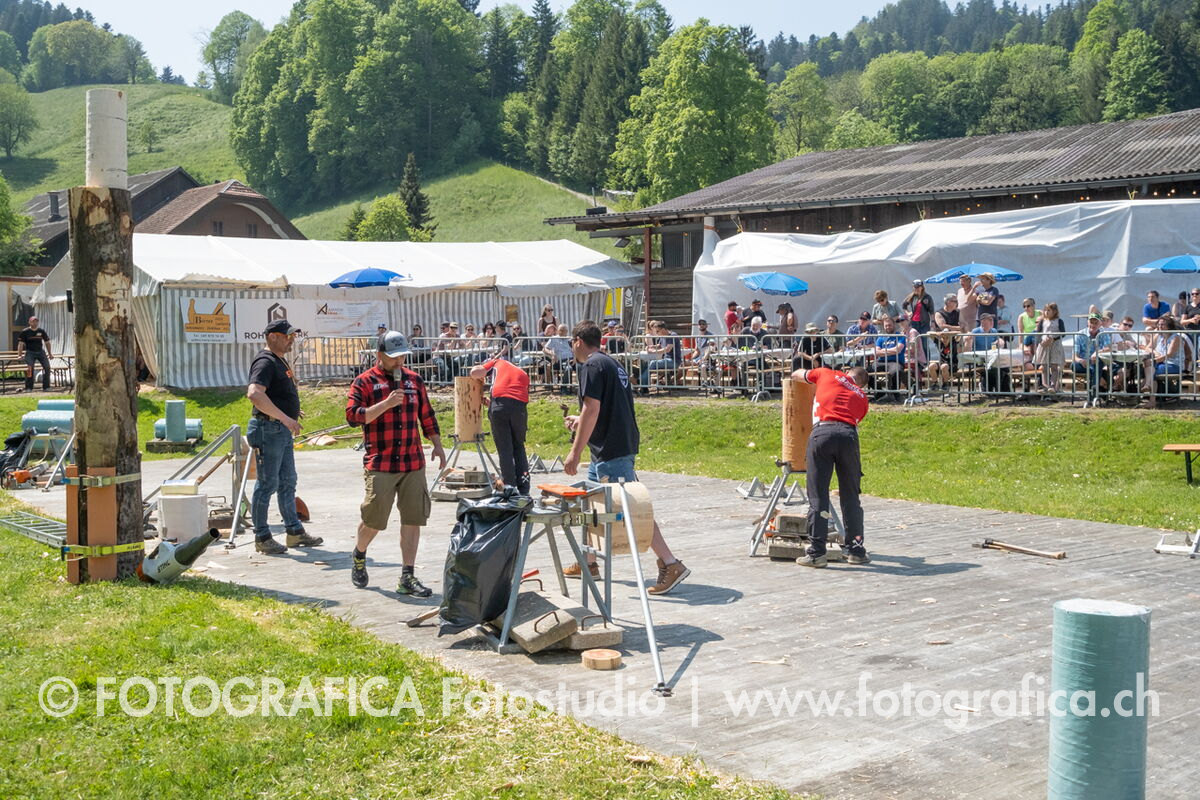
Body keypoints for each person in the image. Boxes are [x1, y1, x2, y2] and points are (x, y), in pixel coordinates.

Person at [562, 320, 689, 594]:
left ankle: (671, 563)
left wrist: (574, 452)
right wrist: (580, 421)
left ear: (578, 342)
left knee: (632, 508)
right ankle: (589, 562)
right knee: (592, 505)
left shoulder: (591, 365)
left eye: (572, 343)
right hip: (610, 447)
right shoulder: (610, 363)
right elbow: (601, 409)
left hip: (612, 449)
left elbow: (592, 409)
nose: (572, 347)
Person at [346, 331, 447, 596]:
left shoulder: (414, 380)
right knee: (374, 520)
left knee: (413, 518)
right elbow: (353, 417)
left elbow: (427, 415)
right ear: (379, 355)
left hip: (413, 461)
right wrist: (386, 404)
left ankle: (407, 575)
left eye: (402, 356)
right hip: (381, 462)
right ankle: (359, 553)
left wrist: (437, 444)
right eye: (393, 357)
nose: (399, 361)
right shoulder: (364, 382)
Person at [246, 319, 323, 555]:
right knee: (267, 484)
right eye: (287, 336)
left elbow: (274, 394)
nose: (292, 340)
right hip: (269, 429)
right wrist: (284, 417)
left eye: (293, 336)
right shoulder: (265, 361)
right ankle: (262, 537)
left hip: (279, 429)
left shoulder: (278, 360)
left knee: (288, 481)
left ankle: (294, 531)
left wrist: (291, 411)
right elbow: (255, 394)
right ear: (273, 336)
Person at [787, 364, 871, 568]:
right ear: (861, 384)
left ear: (848, 372)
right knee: (851, 496)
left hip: (822, 433)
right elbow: (854, 420)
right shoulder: (862, 397)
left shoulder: (827, 373)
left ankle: (817, 553)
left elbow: (797, 375)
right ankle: (856, 550)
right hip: (849, 437)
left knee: (818, 496)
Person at [470, 355, 530, 494]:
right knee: (519, 446)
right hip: (520, 410)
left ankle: (509, 487)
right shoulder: (523, 373)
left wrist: (495, 406)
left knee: (505, 449)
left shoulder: (497, 362)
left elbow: (475, 372)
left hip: (499, 406)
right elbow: (515, 398)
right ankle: (524, 487)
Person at [1140, 315, 1189, 408]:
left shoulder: (1176, 337)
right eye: (1158, 324)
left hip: (1174, 365)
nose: (1159, 326)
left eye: (1162, 324)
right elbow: (1148, 347)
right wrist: (1156, 353)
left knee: (1151, 369)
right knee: (1147, 365)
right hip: (1161, 363)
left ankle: (1147, 392)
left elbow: (1169, 354)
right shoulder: (1158, 335)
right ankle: (1147, 392)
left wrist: (1155, 360)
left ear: (1169, 326)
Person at [1071, 312, 1112, 392]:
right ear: (1088, 323)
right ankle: (1100, 385)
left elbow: (1109, 348)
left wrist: (1097, 352)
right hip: (1082, 363)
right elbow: (1074, 356)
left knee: (1098, 364)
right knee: (1075, 366)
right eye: (1091, 322)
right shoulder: (1079, 334)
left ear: (1100, 324)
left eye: (1096, 323)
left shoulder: (1103, 334)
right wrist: (1081, 361)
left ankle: (1093, 392)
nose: (1093, 325)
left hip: (1097, 363)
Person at [1033, 302, 1067, 393]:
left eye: (1049, 310)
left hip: (1055, 345)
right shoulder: (1042, 321)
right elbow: (1038, 333)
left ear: (1054, 311)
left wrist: (1053, 338)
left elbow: (1063, 333)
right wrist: (1041, 341)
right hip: (1044, 345)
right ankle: (1045, 386)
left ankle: (1053, 386)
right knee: (1044, 367)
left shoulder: (1059, 321)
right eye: (1045, 310)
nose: (1046, 312)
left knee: (1054, 366)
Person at [931, 294, 962, 388]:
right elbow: (935, 329)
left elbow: (961, 329)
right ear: (948, 302)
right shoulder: (939, 341)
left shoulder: (954, 340)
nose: (945, 337)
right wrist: (938, 334)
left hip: (952, 364)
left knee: (944, 366)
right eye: (955, 301)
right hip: (942, 363)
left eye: (946, 336)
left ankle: (946, 384)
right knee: (931, 366)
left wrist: (950, 331)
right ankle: (935, 384)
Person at [17, 315, 52, 392]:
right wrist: (19, 355)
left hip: (40, 352)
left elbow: (47, 342)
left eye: (36, 321)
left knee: (47, 367)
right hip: (30, 352)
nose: (35, 323)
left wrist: (50, 354)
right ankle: (29, 387)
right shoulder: (25, 332)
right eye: (33, 321)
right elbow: (20, 344)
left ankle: (46, 387)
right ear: (29, 322)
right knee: (30, 368)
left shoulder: (41, 331)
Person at [1016, 298, 1040, 363]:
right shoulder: (1021, 317)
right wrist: (1021, 345)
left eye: (1028, 306)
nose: (1026, 308)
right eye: (1024, 306)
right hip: (1028, 340)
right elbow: (1020, 333)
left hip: (1039, 339)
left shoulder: (1040, 313)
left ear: (1034, 305)